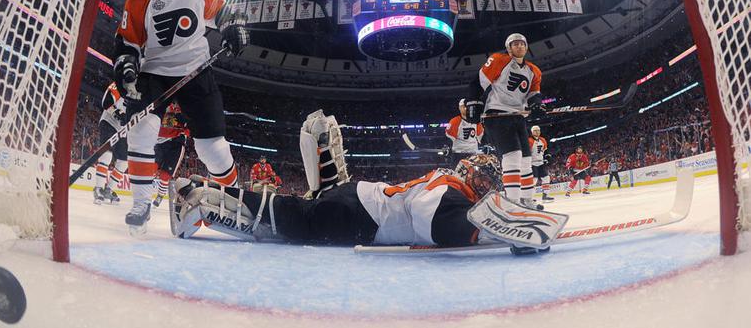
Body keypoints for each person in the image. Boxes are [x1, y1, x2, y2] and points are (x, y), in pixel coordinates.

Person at [170, 111, 564, 254]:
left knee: (298, 207)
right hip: (360, 217)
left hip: (358, 195)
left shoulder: (448, 181)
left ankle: (202, 190)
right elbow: (439, 226)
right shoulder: (451, 198)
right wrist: (494, 233)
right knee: (283, 222)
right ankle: (201, 203)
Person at [113, 0, 238, 234]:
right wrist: (127, 67)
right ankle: (140, 205)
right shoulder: (138, 0)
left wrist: (234, 26)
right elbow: (126, 44)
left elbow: (220, 12)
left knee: (213, 150)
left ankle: (236, 198)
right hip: (154, 73)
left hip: (196, 70)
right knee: (141, 131)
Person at [463, 33, 546, 209]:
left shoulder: (534, 71)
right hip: (497, 115)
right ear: (508, 48)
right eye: (515, 44)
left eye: (522, 43)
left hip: (517, 117)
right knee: (513, 156)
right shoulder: (499, 60)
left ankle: (527, 200)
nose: (519, 47)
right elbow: (477, 83)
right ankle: (513, 202)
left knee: (525, 159)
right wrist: (473, 103)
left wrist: (537, 105)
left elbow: (534, 95)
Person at [92, 82, 126, 205]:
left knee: (124, 161)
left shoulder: (143, 90)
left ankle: (108, 189)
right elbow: (106, 102)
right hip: (109, 121)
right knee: (107, 153)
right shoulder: (121, 82)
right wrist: (118, 113)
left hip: (123, 129)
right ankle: (98, 188)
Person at [152, 102, 190, 207]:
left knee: (165, 175)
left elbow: (190, 131)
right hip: (161, 142)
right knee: (151, 169)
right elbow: (166, 129)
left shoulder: (188, 108)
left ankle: (160, 195)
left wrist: (186, 128)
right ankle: (144, 197)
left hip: (177, 145)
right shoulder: (169, 106)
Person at [445, 99, 484, 164]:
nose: (466, 108)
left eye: (467, 106)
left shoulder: (476, 120)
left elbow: (481, 137)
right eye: (463, 106)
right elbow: (449, 138)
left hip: (473, 153)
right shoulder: (455, 121)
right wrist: (448, 147)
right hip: (459, 153)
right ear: (460, 108)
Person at [529, 125, 553, 202]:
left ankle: (545, 196)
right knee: (533, 180)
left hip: (541, 162)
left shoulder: (543, 140)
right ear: (532, 132)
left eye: (538, 130)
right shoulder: (529, 140)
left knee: (546, 178)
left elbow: (545, 151)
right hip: (532, 163)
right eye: (535, 130)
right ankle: (530, 198)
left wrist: (547, 156)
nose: (537, 132)